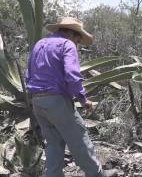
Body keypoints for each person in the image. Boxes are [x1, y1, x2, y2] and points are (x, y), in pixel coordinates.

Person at [26, 17, 114, 177]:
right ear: (73, 35)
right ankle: (96, 174)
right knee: (80, 141)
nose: (78, 44)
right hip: (56, 101)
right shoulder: (67, 44)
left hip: (37, 101)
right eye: (78, 40)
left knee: (53, 144)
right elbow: (72, 75)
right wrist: (83, 99)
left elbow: (29, 74)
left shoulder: (39, 44)